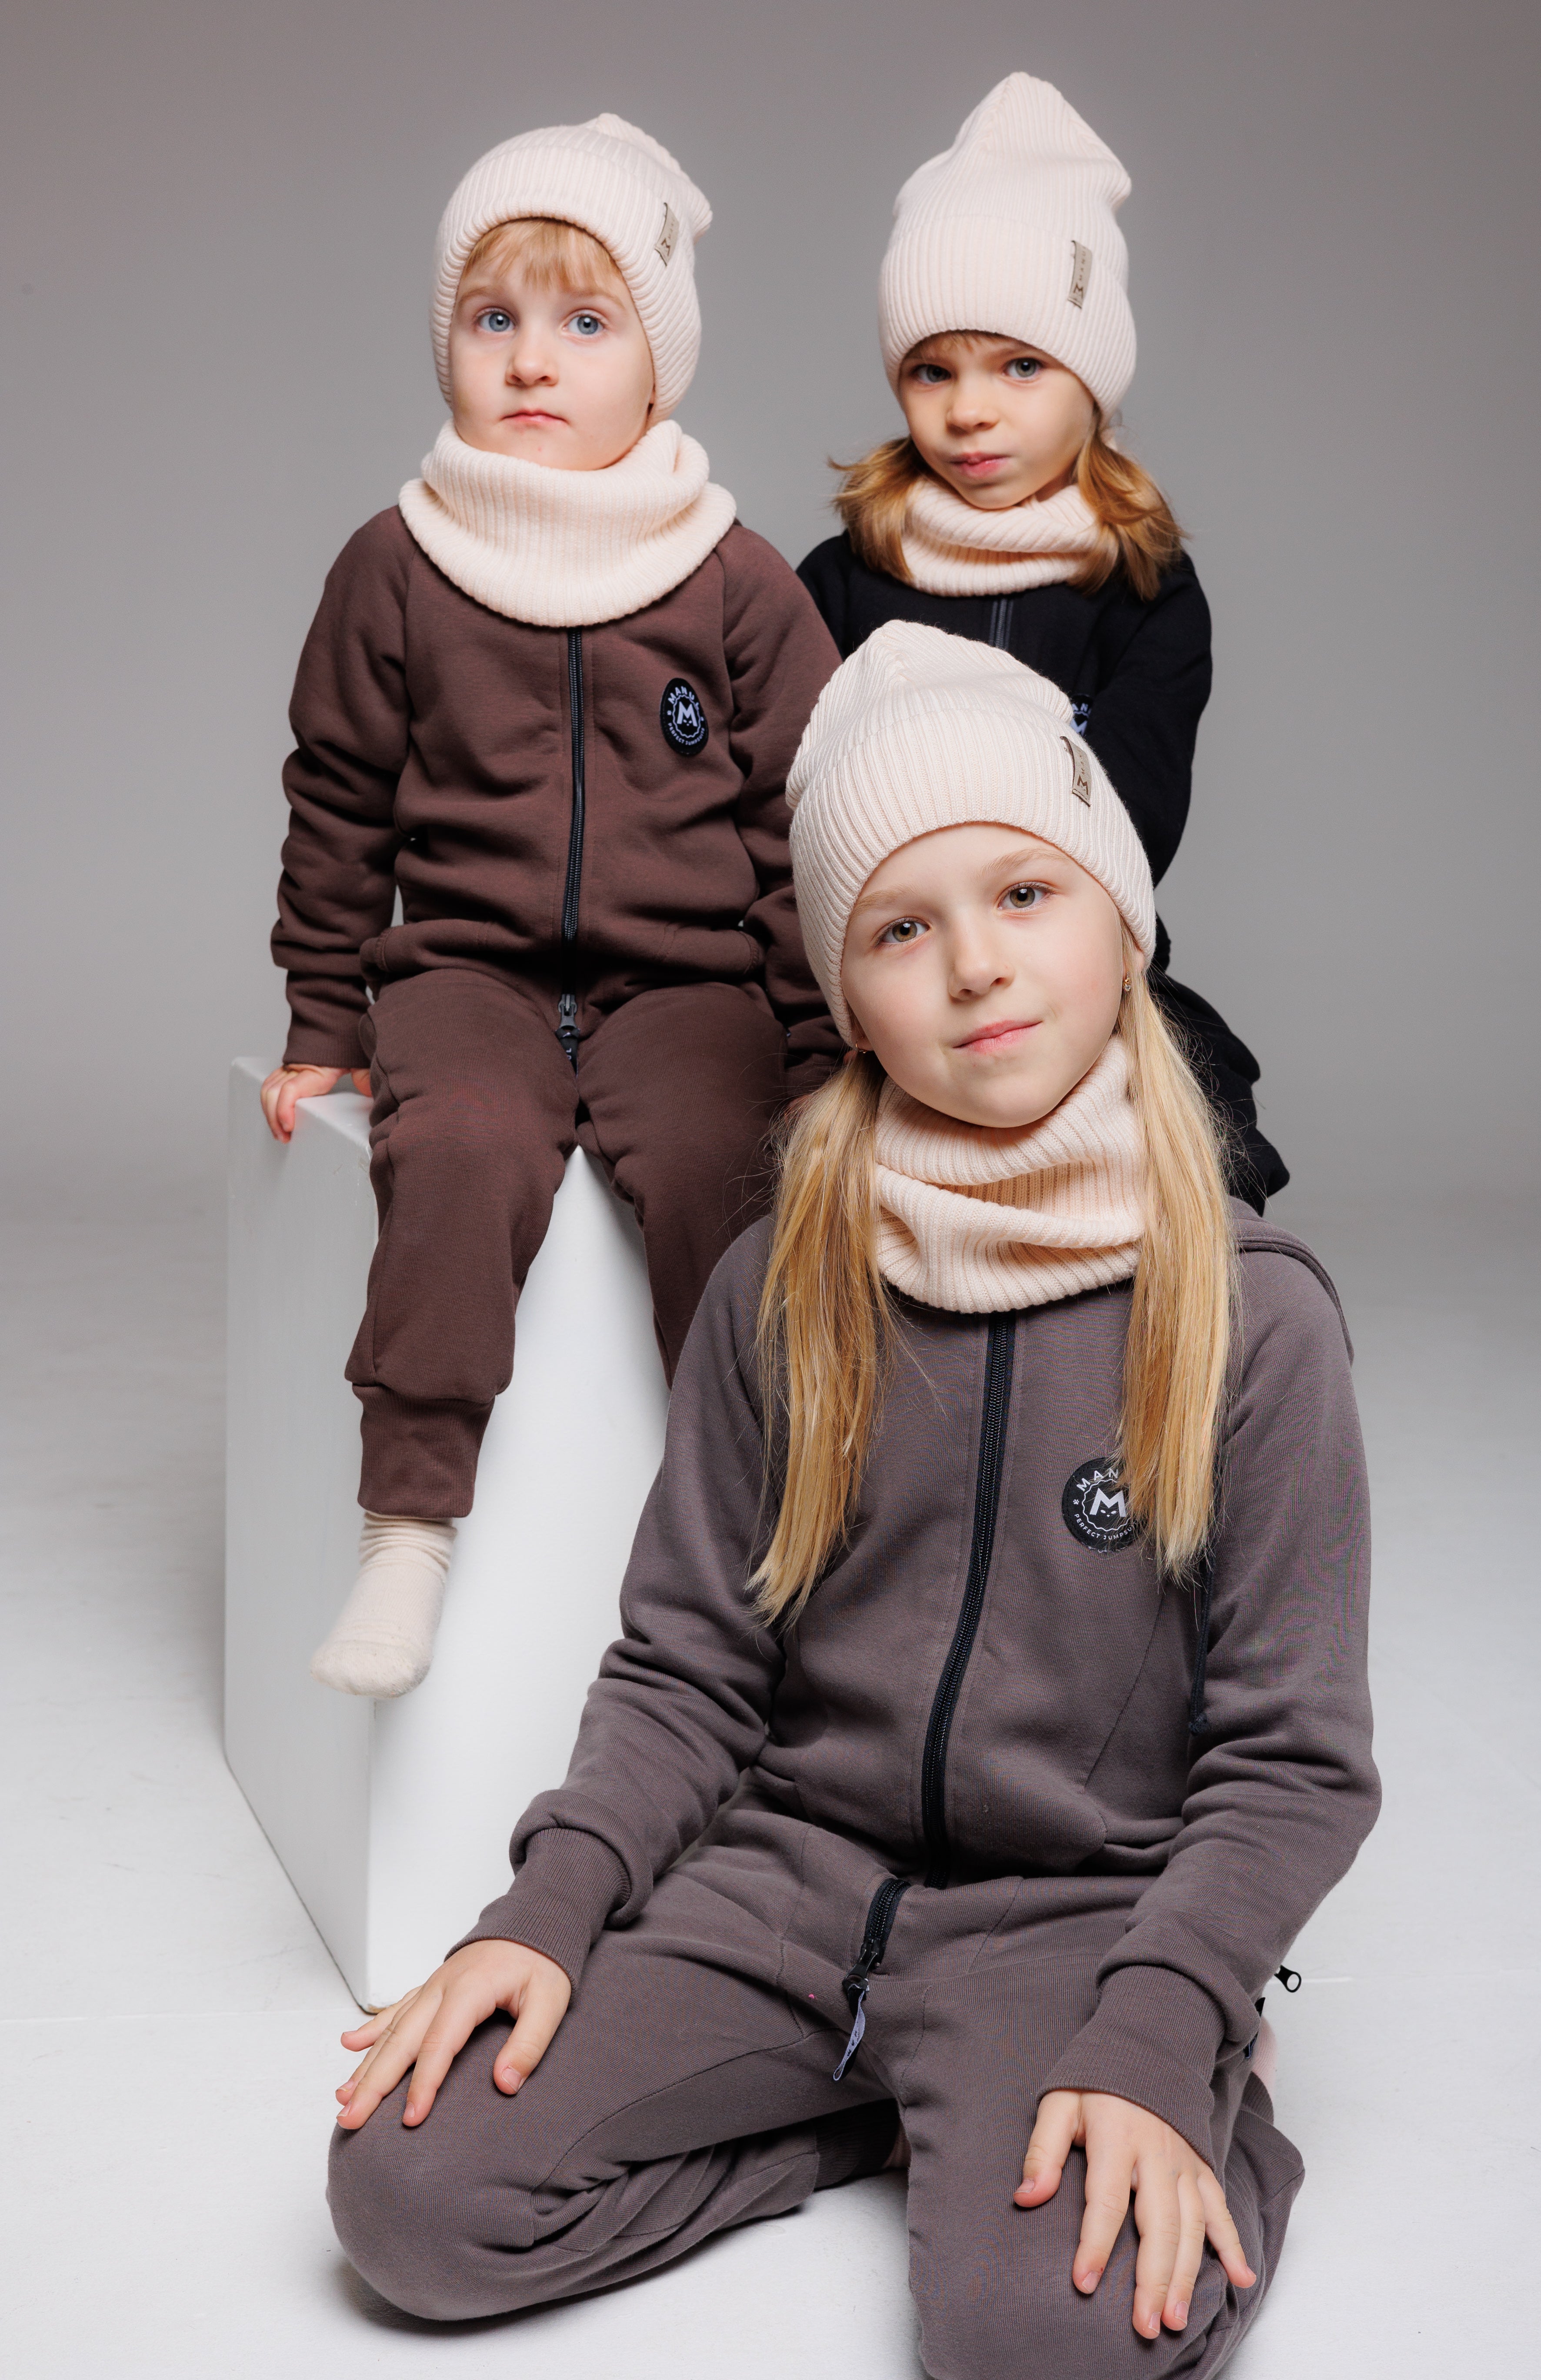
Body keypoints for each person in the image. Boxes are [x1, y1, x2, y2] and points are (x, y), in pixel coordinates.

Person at [323, 624, 1378, 2377]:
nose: (977, 965)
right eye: (901, 928)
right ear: (845, 990)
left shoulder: (1257, 1317)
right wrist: (550, 1911)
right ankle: (867, 2124)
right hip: (787, 1888)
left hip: (1082, 1924)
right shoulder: (779, 1284)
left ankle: (1208, 2111)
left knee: (1038, 2340)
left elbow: (1294, 1762)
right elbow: (687, 1666)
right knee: (409, 2197)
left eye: (1027, 892)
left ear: (1124, 923)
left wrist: (1161, 2025)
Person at [259, 116, 841, 1698]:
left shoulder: (733, 576)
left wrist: (814, 1054)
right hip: (470, 975)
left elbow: (801, 828)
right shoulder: (397, 564)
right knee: (455, 1148)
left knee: (728, 1172)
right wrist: (322, 1020)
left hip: (690, 984)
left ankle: (765, 1549)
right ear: (444, 344)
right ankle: (407, 1530)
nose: (531, 359)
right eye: (491, 317)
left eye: (587, 322)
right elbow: (339, 801)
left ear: (660, 371)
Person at [799, 73, 1287, 1211]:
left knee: (1209, 1114)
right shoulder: (842, 579)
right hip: (898, 963)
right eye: (933, 370)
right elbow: (797, 795)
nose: (970, 410)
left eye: (1021, 365)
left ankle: (1199, 1303)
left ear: (1093, 383)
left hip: (1075, 961)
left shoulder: (1144, 589)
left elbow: (1131, 823)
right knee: (782, 1122)